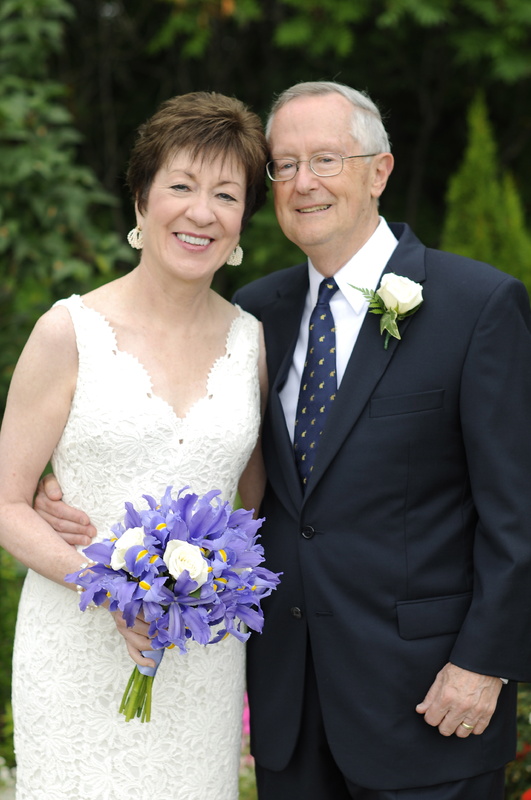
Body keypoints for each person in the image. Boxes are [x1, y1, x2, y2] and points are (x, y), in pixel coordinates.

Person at [36, 80, 531, 800]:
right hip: (288, 710)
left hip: (431, 705)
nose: (303, 183)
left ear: (379, 171)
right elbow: (222, 468)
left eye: (325, 159)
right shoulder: (254, 315)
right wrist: (68, 488)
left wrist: (483, 665)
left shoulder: (476, 306)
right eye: (285, 165)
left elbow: (515, 511)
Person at [0, 91, 268, 800]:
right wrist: (109, 587)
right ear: (142, 199)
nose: (201, 211)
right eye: (180, 186)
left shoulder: (250, 341)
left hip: (200, 658)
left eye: (226, 193)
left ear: (242, 219)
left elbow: (260, 501)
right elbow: (5, 502)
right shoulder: (69, 332)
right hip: (77, 640)